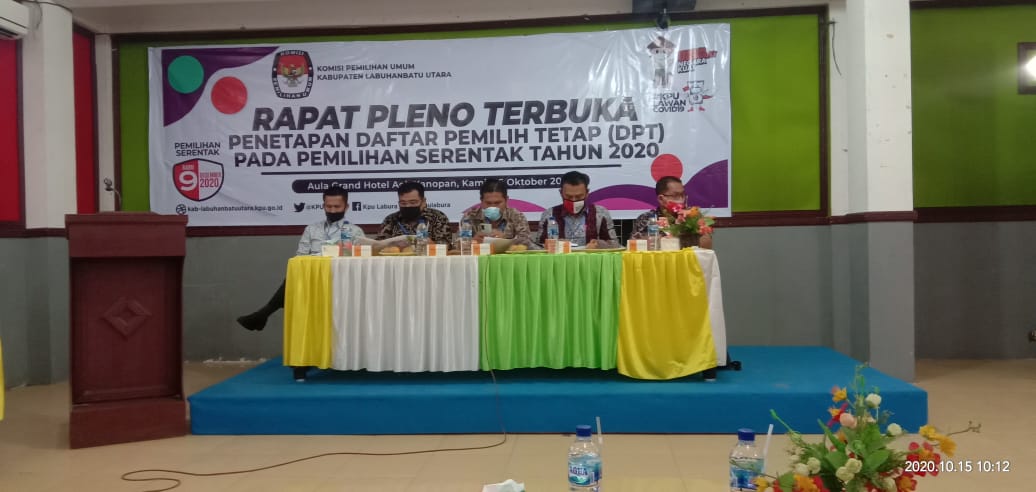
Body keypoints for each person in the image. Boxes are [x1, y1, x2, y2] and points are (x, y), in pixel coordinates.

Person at [237, 187, 364, 331]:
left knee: (293, 280)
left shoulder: (355, 232)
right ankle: (262, 315)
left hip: (339, 279)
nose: (333, 211)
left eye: (337, 207)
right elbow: (300, 257)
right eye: (329, 206)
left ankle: (263, 314)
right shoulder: (312, 229)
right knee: (295, 272)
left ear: (346, 207)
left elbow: (359, 260)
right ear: (323, 206)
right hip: (312, 278)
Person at [537, 171, 619, 249]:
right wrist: (551, 244)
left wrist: (599, 245)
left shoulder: (600, 213)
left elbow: (615, 244)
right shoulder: (549, 214)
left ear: (587, 193)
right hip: (560, 258)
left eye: (579, 196)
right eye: (569, 197)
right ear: (561, 193)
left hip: (590, 258)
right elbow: (538, 246)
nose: (574, 200)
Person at [630, 175, 713, 249]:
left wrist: (689, 225)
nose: (681, 200)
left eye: (682, 195)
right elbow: (635, 246)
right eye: (675, 195)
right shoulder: (647, 218)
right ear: (661, 199)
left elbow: (706, 246)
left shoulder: (692, 215)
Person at [461, 178, 534, 249]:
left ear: (506, 200)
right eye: (488, 203)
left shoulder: (516, 216)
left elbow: (528, 244)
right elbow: (458, 244)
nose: (493, 207)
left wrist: (505, 240)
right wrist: (473, 241)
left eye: (497, 203)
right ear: (481, 201)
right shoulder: (470, 217)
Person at [377, 181, 453, 248]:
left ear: (423, 202)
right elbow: (378, 245)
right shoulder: (390, 220)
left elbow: (446, 246)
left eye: (413, 202)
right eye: (403, 203)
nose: (408, 206)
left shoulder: (438, 217)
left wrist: (430, 244)